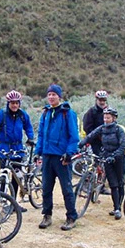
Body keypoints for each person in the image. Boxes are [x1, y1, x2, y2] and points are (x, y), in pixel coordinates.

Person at [34, 84, 79, 231]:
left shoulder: (67, 113)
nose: (51, 97)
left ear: (59, 96)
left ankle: (71, 217)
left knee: (66, 188)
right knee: (46, 188)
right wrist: (37, 152)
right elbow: (41, 134)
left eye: (54, 94)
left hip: (61, 157)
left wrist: (69, 153)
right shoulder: (46, 113)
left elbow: (74, 136)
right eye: (49, 94)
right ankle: (47, 215)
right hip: (47, 155)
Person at [0, 90, 35, 212]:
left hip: (18, 149)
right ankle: (3, 201)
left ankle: (13, 203)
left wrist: (31, 137)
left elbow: (28, 127)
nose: (14, 105)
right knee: (4, 175)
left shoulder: (23, 115)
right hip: (4, 149)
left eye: (17, 103)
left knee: (16, 178)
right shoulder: (0, 115)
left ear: (19, 103)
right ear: (8, 103)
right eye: (12, 103)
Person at [78, 107, 125, 220]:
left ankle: (119, 206)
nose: (105, 119)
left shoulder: (119, 130)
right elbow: (90, 136)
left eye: (108, 117)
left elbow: (122, 146)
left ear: (114, 118)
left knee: (120, 183)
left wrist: (114, 156)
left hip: (118, 159)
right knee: (113, 184)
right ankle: (116, 209)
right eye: (104, 117)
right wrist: (80, 145)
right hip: (107, 158)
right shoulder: (102, 128)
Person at [82, 90, 109, 155]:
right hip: (95, 142)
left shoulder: (109, 111)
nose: (102, 102)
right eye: (100, 100)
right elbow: (87, 128)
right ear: (96, 100)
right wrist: (97, 136)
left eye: (104, 100)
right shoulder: (91, 112)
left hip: (108, 140)